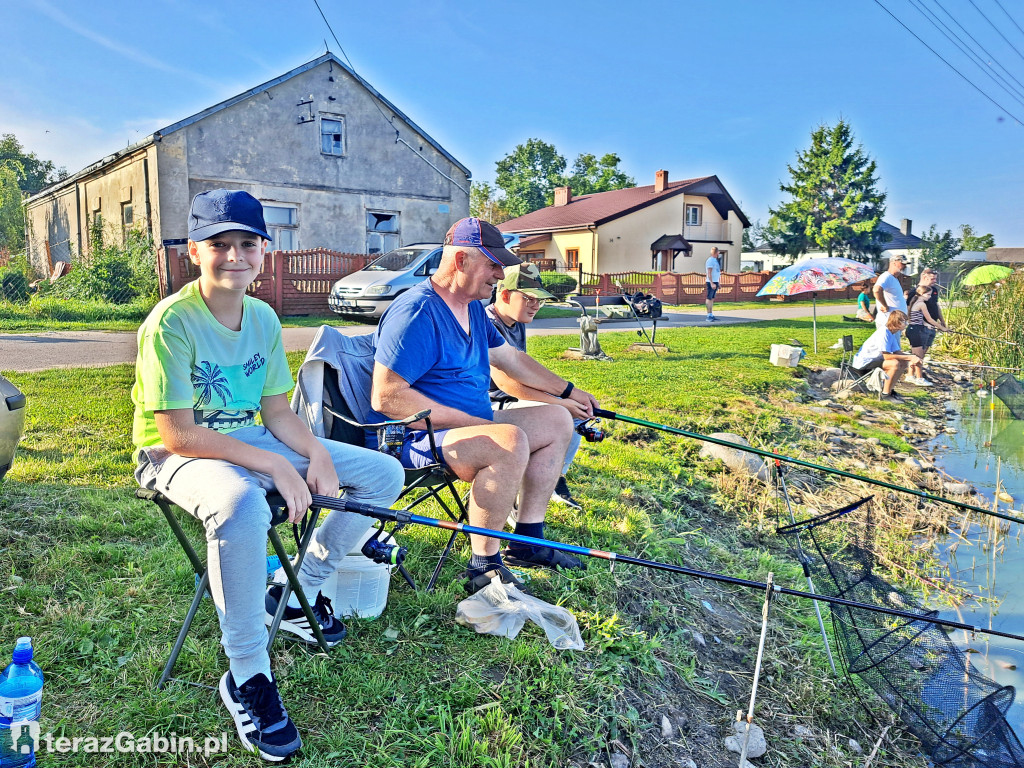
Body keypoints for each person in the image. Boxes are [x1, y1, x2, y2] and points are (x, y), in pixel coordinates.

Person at [132, 190, 404, 761]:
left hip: (248, 440)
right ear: (194, 253)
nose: (234, 255)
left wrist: (317, 453)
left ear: (264, 250)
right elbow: (179, 434)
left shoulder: (262, 317)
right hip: (173, 454)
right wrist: (278, 464)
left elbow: (278, 413)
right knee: (243, 505)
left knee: (381, 471)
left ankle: (299, 583)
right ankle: (249, 676)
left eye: (247, 243)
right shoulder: (171, 322)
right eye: (219, 244)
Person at [368, 217, 599, 594]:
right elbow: (388, 397)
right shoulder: (417, 312)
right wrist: (477, 422)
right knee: (507, 439)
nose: (499, 273)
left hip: (470, 425)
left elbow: (511, 360)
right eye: (492, 264)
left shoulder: (474, 306)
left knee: (557, 420)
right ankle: (483, 565)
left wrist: (568, 390)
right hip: (415, 438)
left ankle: (528, 541)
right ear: (460, 261)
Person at [485, 262, 585, 510]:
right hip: (491, 403)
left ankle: (553, 478)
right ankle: (522, 492)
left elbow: (523, 371)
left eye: (539, 299)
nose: (536, 305)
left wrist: (568, 397)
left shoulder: (516, 320)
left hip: (510, 398)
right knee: (562, 415)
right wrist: (561, 403)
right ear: (505, 294)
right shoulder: (488, 323)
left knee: (577, 417)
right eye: (529, 298)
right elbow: (506, 384)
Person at [851, 310, 920, 401]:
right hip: (863, 364)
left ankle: (890, 391)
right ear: (896, 322)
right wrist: (910, 357)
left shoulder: (891, 333)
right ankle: (885, 394)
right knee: (894, 364)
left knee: (903, 362)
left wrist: (913, 358)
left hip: (874, 361)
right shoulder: (884, 333)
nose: (906, 324)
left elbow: (897, 352)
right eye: (904, 321)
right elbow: (887, 357)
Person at [905, 285, 942, 386]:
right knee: (918, 357)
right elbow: (929, 319)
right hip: (916, 331)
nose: (930, 297)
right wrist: (943, 328)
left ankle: (910, 376)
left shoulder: (915, 301)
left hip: (914, 329)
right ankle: (919, 378)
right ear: (921, 294)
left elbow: (918, 319)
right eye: (928, 294)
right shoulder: (921, 304)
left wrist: (927, 326)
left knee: (916, 356)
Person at [872, 254, 908, 330]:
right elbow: (876, 290)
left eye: (906, 264)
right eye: (902, 263)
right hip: (888, 322)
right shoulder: (886, 276)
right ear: (893, 262)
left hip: (895, 322)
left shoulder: (894, 278)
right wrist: (884, 305)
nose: (905, 266)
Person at [705, 247, 722, 322]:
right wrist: (712, 283)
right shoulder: (711, 260)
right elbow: (709, 273)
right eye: (718, 252)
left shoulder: (715, 260)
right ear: (716, 252)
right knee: (709, 298)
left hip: (715, 282)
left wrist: (718, 282)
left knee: (712, 298)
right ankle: (708, 315)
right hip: (710, 282)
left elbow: (717, 272)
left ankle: (711, 314)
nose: (719, 253)